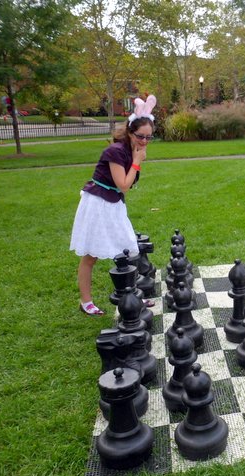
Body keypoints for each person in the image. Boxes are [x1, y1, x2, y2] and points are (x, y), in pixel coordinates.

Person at [70, 95, 157, 316]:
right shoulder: (115, 151)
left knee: (127, 248)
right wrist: (138, 162)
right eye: (141, 136)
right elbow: (124, 184)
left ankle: (131, 296)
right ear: (129, 132)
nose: (145, 142)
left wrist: (136, 159)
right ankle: (86, 302)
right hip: (98, 204)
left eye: (149, 137)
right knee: (91, 255)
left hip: (114, 203)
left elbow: (123, 187)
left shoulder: (131, 150)